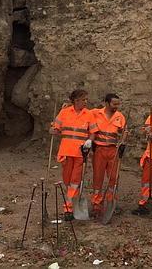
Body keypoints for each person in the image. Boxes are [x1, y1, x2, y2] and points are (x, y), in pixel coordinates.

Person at [49, 89, 98, 221]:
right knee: (67, 180)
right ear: (76, 101)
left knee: (75, 180)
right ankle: (71, 203)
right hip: (65, 152)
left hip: (81, 152)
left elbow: (93, 132)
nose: (86, 102)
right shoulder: (64, 112)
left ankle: (68, 207)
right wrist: (53, 130)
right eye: (84, 99)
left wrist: (89, 141)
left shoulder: (89, 114)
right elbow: (54, 128)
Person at [90, 93, 127, 217]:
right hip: (99, 150)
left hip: (113, 151)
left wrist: (123, 141)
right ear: (106, 103)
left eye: (118, 104)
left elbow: (124, 131)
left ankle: (111, 203)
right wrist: (68, 105)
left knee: (114, 178)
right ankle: (96, 204)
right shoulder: (95, 113)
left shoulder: (120, 116)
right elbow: (83, 113)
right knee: (98, 177)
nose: (117, 106)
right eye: (114, 104)